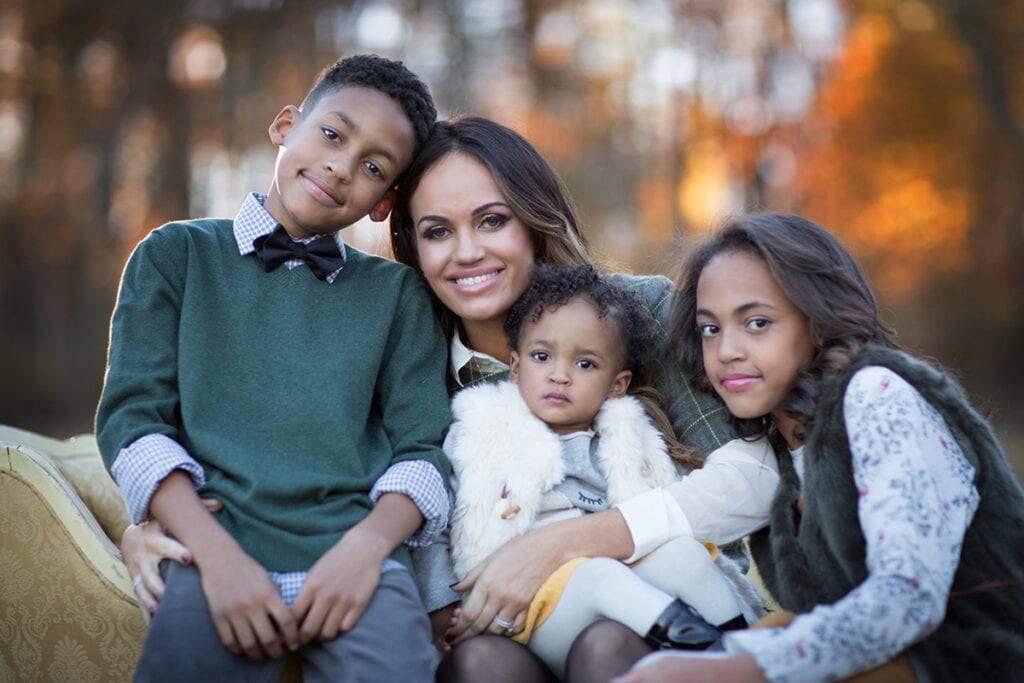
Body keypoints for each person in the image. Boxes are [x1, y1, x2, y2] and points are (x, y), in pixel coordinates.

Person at [123, 116, 780, 682]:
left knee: (606, 645)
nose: (468, 252)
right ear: (411, 245)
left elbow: (750, 478)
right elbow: (299, 474)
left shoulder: (637, 313)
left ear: (533, 219)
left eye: (492, 220)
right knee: (476, 666)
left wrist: (574, 542)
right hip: (503, 634)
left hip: (657, 610)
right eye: (437, 231)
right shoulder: (398, 365)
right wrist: (153, 523)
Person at [96, 54, 452, 682]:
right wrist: (213, 557)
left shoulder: (397, 296)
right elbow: (132, 421)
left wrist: (368, 551)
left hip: (354, 561)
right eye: (333, 135)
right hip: (215, 553)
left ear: (383, 203)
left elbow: (423, 450)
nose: (342, 167)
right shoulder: (175, 255)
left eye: (373, 167)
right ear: (286, 125)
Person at [615, 212, 1024, 682]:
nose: (726, 349)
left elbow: (905, 599)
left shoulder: (877, 396)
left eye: (757, 322)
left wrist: (741, 667)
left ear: (818, 322)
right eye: (711, 329)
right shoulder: (781, 451)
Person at [416, 262, 766, 678]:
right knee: (597, 573)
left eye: (585, 365)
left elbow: (665, 521)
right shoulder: (480, 435)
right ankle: (695, 640)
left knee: (681, 552)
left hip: (623, 613)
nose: (560, 376)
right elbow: (435, 525)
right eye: (542, 357)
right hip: (529, 614)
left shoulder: (631, 440)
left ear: (617, 385)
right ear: (515, 368)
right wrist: (441, 606)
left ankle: (744, 650)